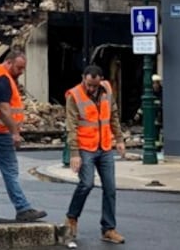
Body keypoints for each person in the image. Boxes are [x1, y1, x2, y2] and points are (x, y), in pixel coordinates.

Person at [63, 65, 126, 244]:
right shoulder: (74, 96)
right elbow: (72, 126)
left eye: (94, 85)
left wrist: (119, 139)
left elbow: (113, 116)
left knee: (110, 188)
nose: (91, 88)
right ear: (83, 78)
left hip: (104, 146)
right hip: (85, 147)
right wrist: (74, 153)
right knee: (86, 184)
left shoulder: (106, 89)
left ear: (100, 80)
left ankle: (108, 228)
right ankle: (72, 217)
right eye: (89, 84)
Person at [0, 51, 46, 222]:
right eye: (19, 67)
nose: (21, 71)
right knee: (10, 171)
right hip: (0, 133)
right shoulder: (2, 79)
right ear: (9, 62)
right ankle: (23, 208)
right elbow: (5, 111)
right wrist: (15, 133)